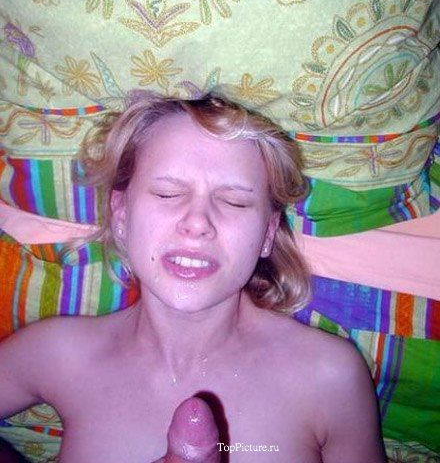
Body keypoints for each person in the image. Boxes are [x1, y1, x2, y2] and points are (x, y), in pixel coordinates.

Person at [0, 91, 387, 462]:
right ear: (121, 214)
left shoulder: (329, 378)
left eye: (234, 201)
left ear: (268, 233)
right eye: (167, 193)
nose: (198, 222)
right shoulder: (58, 355)